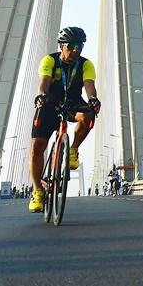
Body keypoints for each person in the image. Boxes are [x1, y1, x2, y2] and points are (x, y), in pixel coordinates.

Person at [29, 26, 101, 213]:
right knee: (37, 147)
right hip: (50, 104)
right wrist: (41, 95)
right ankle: (37, 191)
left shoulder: (86, 64)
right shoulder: (50, 60)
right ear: (62, 45)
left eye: (80, 46)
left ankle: (73, 150)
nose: (77, 50)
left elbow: (89, 85)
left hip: (73, 104)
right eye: (72, 45)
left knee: (88, 116)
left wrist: (93, 99)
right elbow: (44, 81)